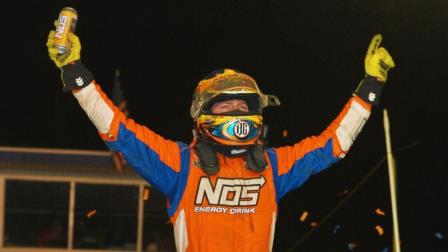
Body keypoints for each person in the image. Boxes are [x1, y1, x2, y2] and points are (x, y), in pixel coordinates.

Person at [46, 28, 394, 251]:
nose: (236, 111)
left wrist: (370, 89)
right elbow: (120, 132)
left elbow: (333, 145)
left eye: (242, 104)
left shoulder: (272, 167)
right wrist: (76, 73)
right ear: (203, 113)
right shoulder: (180, 164)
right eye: (226, 104)